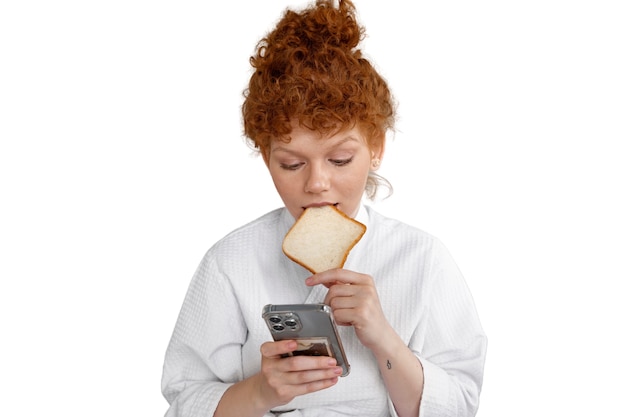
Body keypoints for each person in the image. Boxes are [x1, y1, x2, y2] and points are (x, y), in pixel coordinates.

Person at [161, 1, 487, 416]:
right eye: (291, 164)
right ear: (266, 158)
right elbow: (183, 399)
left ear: (376, 148)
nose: (316, 183)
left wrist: (383, 337)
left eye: (339, 160)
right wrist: (261, 392)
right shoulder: (230, 262)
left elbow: (460, 406)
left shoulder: (423, 259)